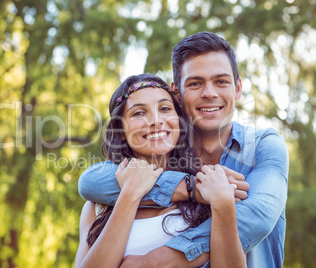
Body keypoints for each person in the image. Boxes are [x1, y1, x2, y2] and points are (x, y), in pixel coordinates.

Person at [78, 32, 289, 268]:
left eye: (221, 81)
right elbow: (89, 182)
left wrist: (155, 262)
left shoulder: (264, 147)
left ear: (238, 88)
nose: (209, 93)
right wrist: (189, 187)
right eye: (195, 83)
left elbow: (256, 218)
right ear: (177, 92)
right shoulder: (177, 171)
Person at [74, 73, 246, 268]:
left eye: (164, 108)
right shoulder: (97, 207)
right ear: (120, 132)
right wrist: (130, 194)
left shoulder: (204, 190)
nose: (155, 120)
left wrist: (223, 204)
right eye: (139, 113)